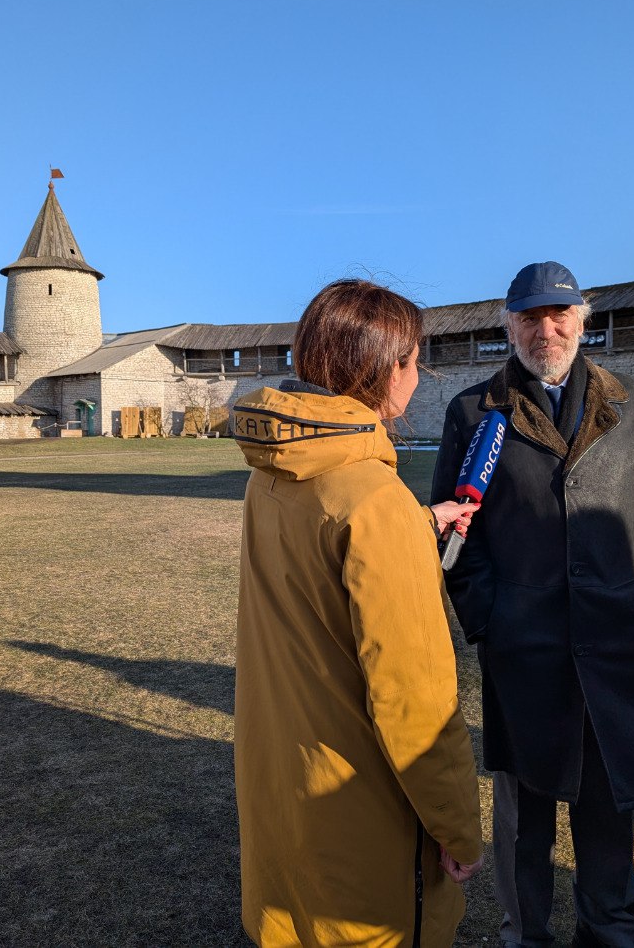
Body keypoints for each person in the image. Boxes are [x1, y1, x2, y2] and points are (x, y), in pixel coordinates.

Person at [431, 262, 634, 948]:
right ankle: (529, 938)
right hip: (524, 653)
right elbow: (461, 535)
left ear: (583, 318)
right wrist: (488, 619)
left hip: (616, 650)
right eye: (529, 317)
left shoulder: (632, 404)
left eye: (559, 315)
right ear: (507, 324)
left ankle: (610, 934)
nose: (546, 329)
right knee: (525, 824)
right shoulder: (473, 412)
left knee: (609, 818)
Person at [233, 278, 484, 947]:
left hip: (283, 788)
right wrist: (458, 828)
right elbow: (414, 701)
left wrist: (420, 522)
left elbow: (320, 557)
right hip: (359, 821)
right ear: (380, 368)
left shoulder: (275, 473)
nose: (418, 376)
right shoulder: (375, 502)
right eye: (412, 359)